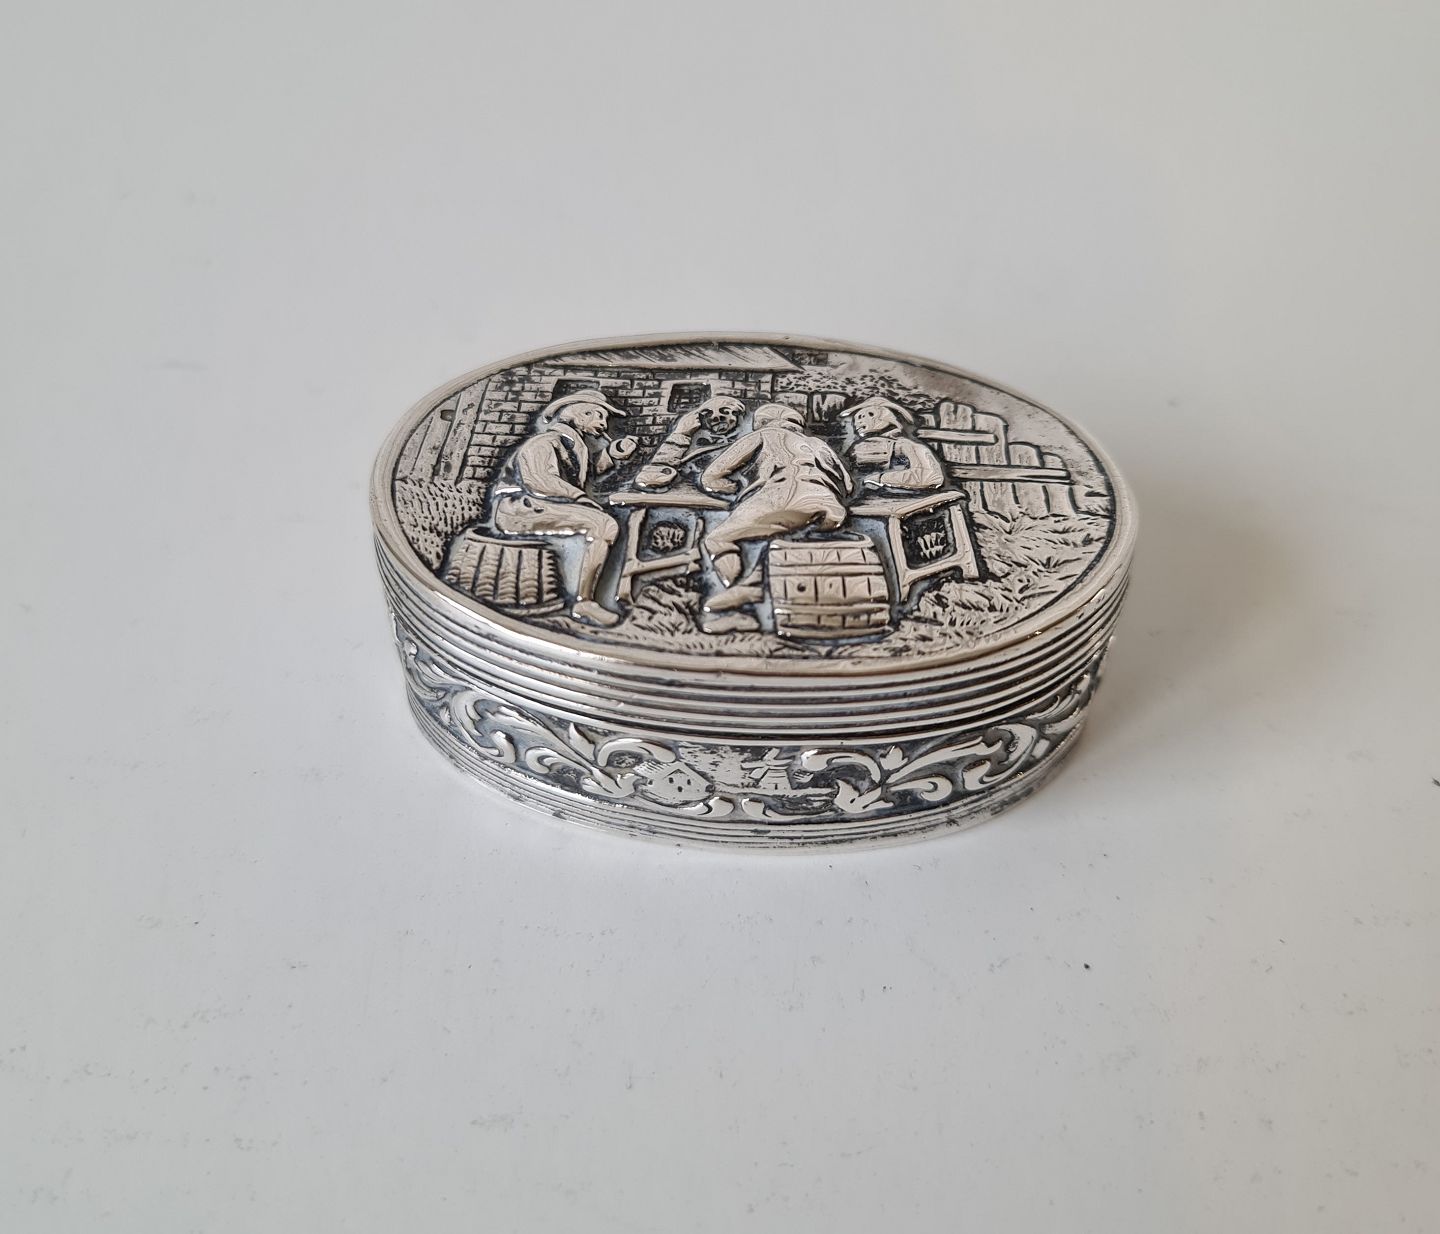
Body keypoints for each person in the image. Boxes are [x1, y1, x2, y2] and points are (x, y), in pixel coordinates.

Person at [697, 403, 853, 632]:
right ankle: (754, 586)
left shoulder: (764, 434)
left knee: (718, 539)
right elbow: (848, 485)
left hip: (785, 498)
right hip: (831, 507)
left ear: (763, 422)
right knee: (777, 537)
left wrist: (729, 488)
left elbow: (711, 475)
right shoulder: (818, 443)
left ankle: (743, 609)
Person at [488, 391, 636, 627]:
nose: (604, 424)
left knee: (603, 522)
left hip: (542, 505)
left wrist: (612, 453)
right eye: (599, 416)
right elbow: (540, 480)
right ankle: (584, 601)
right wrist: (579, 498)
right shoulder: (543, 442)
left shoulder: (574, 445)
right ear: (581, 414)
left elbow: (585, 473)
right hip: (519, 507)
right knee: (602, 524)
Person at [634, 395, 745, 489]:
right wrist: (681, 434)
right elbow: (651, 477)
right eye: (708, 414)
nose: (716, 417)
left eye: (725, 411)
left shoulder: (746, 444)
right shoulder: (692, 446)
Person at [842, 396, 946, 492]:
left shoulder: (906, 445)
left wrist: (880, 479)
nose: (859, 421)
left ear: (885, 417)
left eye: (870, 414)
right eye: (858, 417)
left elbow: (930, 475)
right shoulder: (854, 448)